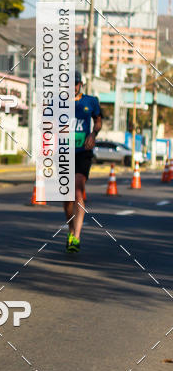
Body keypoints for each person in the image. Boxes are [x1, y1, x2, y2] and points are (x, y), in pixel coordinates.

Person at [64, 70, 102, 254]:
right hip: (64, 152)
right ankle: (71, 231)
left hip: (83, 152)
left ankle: (76, 237)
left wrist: (94, 135)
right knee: (67, 198)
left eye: (75, 84)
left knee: (78, 190)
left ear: (80, 84)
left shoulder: (91, 101)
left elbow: (99, 122)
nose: (72, 87)